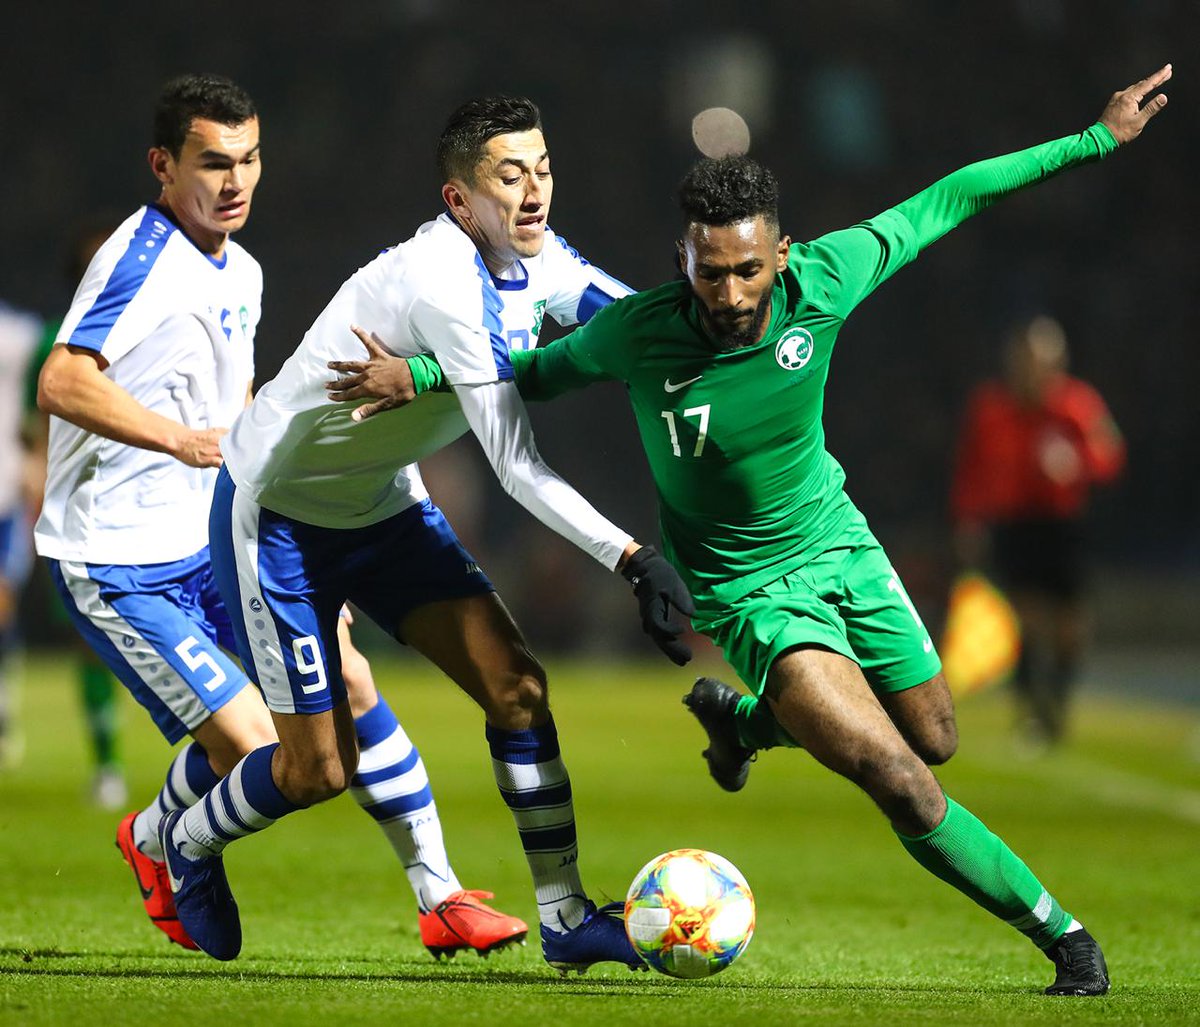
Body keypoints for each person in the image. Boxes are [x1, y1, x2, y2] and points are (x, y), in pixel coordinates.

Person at [355, 65, 1171, 996]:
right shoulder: (640, 331)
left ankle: (744, 725)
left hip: (840, 542)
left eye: (749, 270)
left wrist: (1094, 139)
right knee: (898, 774)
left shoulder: (828, 275)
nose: (731, 293)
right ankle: (1064, 937)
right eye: (710, 272)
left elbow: (950, 198)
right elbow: (532, 374)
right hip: (747, 593)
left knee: (935, 732)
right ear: (682, 258)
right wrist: (421, 376)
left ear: (780, 254)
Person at [159, 94, 692, 970]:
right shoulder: (441, 282)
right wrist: (631, 557)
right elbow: (514, 464)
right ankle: (185, 842)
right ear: (459, 199)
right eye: (509, 176)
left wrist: (726, 321)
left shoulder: (540, 258)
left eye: (543, 169)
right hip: (279, 516)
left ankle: (564, 917)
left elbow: (634, 325)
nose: (534, 191)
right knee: (315, 771)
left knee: (517, 687)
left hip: (384, 505)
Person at [34, 74, 528, 961]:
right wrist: (178, 439)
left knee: (351, 684)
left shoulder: (244, 269)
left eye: (249, 159)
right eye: (212, 163)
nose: (236, 181)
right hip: (116, 560)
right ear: (163, 165)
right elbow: (63, 380)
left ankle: (441, 894)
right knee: (264, 750)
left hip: (212, 539)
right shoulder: (137, 257)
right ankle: (156, 838)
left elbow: (237, 405)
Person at [951, 316, 1125, 747]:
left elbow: (1110, 455)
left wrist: (1077, 463)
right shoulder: (991, 407)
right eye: (1025, 360)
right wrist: (969, 518)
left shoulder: (1077, 405)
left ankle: (1058, 702)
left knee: (1070, 625)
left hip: (1063, 524)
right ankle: (1032, 710)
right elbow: (971, 466)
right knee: (1025, 618)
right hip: (1015, 524)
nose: (1032, 369)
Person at [24, 216, 131, 809]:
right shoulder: (53, 343)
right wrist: (38, 491)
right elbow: (34, 428)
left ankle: (231, 754)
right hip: (80, 507)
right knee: (88, 639)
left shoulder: (155, 327)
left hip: (155, 502)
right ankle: (107, 763)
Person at [0, 301, 41, 769]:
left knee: (2, 603)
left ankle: (4, 709)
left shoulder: (20, 336)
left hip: (7, 493)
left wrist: (35, 462)